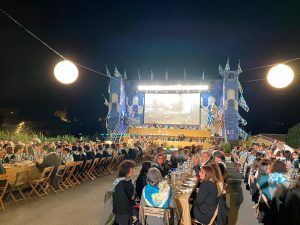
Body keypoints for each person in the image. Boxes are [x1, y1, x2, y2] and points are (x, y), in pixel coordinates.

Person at [112, 160, 136, 225]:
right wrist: (133, 205)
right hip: (123, 211)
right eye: (132, 169)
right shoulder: (121, 183)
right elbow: (123, 200)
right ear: (127, 170)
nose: (134, 170)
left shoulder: (127, 179)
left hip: (125, 209)